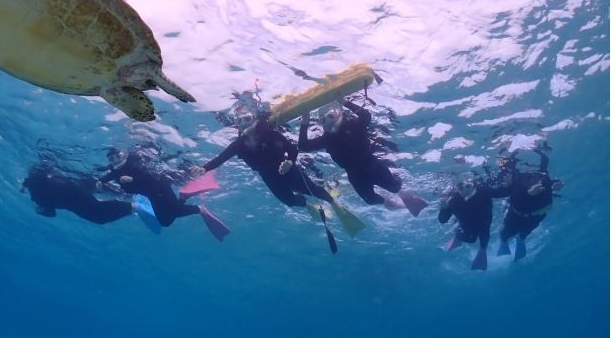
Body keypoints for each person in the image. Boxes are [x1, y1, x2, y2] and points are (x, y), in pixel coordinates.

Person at [193, 109, 365, 238]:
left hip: (289, 171)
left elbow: (292, 149)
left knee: (312, 189)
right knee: (289, 201)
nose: (243, 123)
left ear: (254, 119)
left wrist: (289, 162)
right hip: (269, 177)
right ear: (237, 125)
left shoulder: (271, 134)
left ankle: (334, 203)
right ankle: (308, 205)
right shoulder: (239, 144)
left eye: (247, 118)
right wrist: (205, 168)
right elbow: (222, 157)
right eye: (239, 120)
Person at [298, 99, 428, 216]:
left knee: (395, 188)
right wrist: (305, 122)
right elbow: (303, 146)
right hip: (355, 175)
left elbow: (366, 115)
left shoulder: (354, 125)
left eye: (331, 116)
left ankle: (411, 199)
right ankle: (399, 205)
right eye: (323, 121)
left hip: (373, 166)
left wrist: (344, 102)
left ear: (338, 115)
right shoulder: (326, 139)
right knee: (370, 200)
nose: (328, 121)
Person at [99, 149, 230, 241]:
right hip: (153, 195)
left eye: (117, 156)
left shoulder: (132, 164)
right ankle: (184, 198)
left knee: (169, 217)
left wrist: (132, 179)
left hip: (160, 188)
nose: (115, 160)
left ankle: (199, 209)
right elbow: (110, 175)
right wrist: (100, 182)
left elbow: (147, 174)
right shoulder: (115, 171)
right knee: (165, 220)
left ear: (122, 155)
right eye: (112, 159)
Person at [496, 148, 562, 261]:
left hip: (537, 215)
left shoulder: (543, 175)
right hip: (516, 215)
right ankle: (504, 244)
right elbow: (511, 191)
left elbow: (550, 180)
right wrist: (528, 194)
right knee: (506, 234)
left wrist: (555, 186)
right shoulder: (516, 177)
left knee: (525, 232)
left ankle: (520, 240)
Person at [438, 172, 508, 271]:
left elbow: (502, 193)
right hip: (466, 225)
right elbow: (443, 220)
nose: (464, 189)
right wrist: (444, 209)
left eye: (467, 186)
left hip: (484, 222)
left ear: (474, 186)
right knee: (470, 239)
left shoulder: (483, 191)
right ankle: (457, 238)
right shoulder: (453, 200)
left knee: (484, 239)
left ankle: (482, 252)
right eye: (460, 187)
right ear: (457, 188)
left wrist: (509, 185)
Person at [21, 163, 133, 224]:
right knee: (104, 188)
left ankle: (132, 206)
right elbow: (39, 177)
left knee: (99, 217)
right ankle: (132, 191)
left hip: (74, 195)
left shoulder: (39, 197)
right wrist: (25, 184)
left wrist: (25, 184)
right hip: (76, 187)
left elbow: (37, 177)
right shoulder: (42, 199)